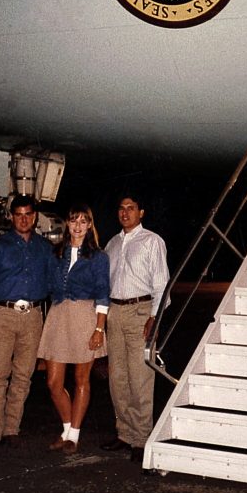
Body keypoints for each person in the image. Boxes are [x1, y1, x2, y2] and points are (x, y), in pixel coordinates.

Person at [0, 194, 51, 450]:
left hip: (33, 316)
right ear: (11, 217)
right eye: (19, 214)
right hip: (3, 315)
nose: (24, 219)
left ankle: (11, 429)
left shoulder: (43, 247)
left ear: (35, 216)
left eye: (28, 214)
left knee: (23, 375)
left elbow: (54, 282)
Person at [100, 192, 170, 462]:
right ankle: (124, 433)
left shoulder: (152, 241)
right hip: (115, 312)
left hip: (141, 312)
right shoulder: (112, 244)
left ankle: (141, 438)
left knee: (140, 378)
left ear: (141, 213)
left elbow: (162, 284)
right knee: (118, 378)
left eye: (131, 208)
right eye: (121, 208)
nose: (125, 212)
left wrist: (154, 317)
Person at [38, 203, 110, 454]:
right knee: (53, 382)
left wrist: (99, 329)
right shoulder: (55, 253)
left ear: (90, 225)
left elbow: (103, 294)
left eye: (83, 221)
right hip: (58, 316)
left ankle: (73, 437)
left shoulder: (99, 257)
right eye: (73, 220)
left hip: (85, 317)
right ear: (67, 224)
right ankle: (67, 428)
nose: (77, 226)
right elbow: (46, 285)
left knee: (81, 379)